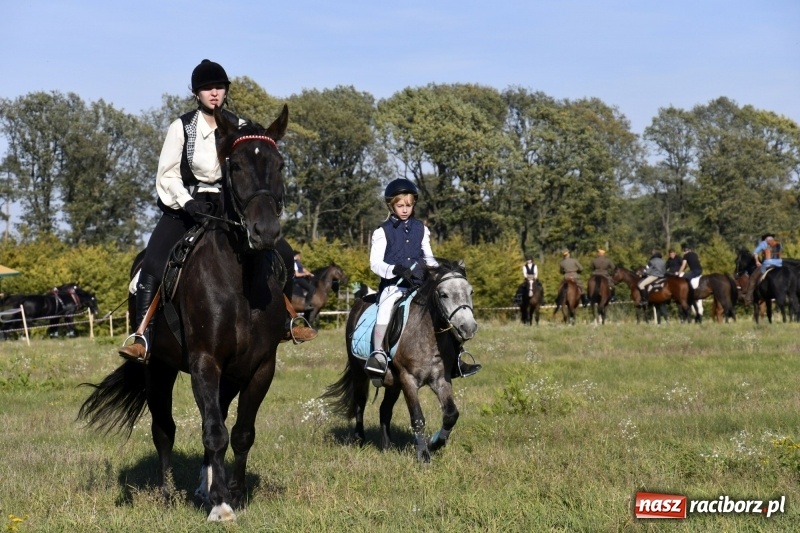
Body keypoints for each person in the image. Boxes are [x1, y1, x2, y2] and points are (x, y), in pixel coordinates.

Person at [119, 59, 315, 362]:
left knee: (284, 253)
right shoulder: (181, 127)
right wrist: (187, 202)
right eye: (208, 88)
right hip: (186, 207)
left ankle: (287, 322)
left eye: (219, 87)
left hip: (229, 208)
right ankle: (142, 334)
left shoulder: (240, 128)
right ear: (197, 93)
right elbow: (167, 175)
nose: (214, 92)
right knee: (153, 263)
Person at [365, 178, 480, 383]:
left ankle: (457, 357)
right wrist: (394, 269)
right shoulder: (382, 232)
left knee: (444, 309)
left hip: (419, 285)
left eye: (409, 205)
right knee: (385, 308)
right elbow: (374, 264)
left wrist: (441, 273)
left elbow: (428, 258)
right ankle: (379, 354)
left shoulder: (421, 229)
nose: (405, 209)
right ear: (391, 205)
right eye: (400, 206)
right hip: (394, 286)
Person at [744, 234, 783, 304]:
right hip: (779, 265)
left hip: (767, 264)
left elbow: (755, 253)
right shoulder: (779, 243)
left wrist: (757, 261)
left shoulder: (764, 243)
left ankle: (748, 298)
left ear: (765, 239)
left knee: (753, 277)